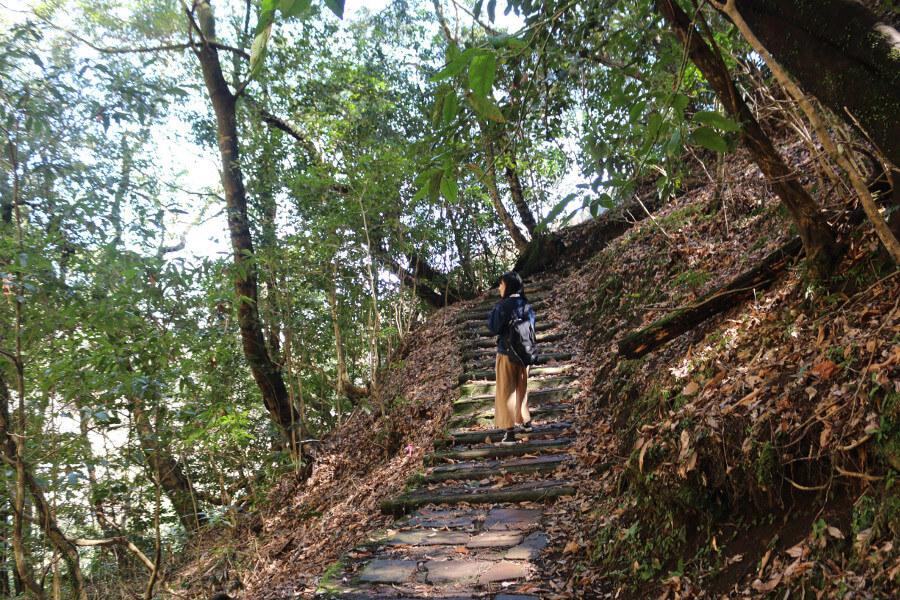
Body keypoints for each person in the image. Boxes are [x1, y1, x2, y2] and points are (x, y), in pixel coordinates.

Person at [487, 271, 536, 445]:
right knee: (521, 388)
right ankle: (525, 422)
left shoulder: (503, 306)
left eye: (501, 284)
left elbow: (493, 327)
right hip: (525, 354)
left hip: (506, 354)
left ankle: (509, 433)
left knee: (506, 391)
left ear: (507, 286)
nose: (499, 287)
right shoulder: (526, 305)